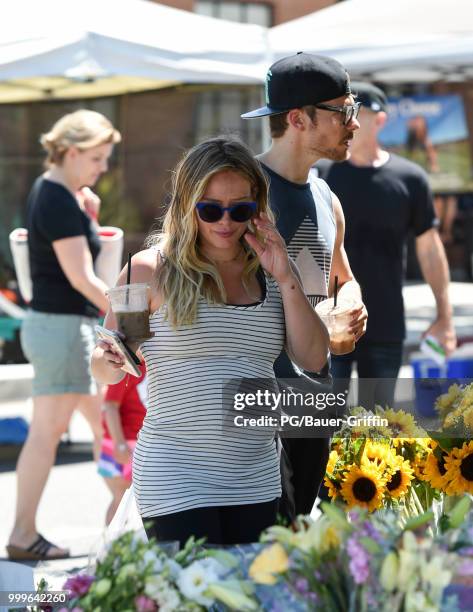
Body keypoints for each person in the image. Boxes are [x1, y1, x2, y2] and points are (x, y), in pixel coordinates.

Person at [91, 136, 329, 546]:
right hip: (174, 473)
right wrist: (107, 360)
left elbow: (313, 357)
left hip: (256, 476)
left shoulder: (273, 272)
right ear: (187, 205)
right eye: (211, 209)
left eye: (240, 209)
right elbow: (104, 364)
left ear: (257, 207)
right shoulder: (148, 271)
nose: (226, 222)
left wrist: (288, 275)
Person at [242, 52, 368, 520]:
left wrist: (348, 307)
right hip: (255, 404)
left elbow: (344, 278)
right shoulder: (241, 196)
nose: (353, 124)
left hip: (314, 400)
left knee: (295, 541)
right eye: (344, 111)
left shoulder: (325, 196)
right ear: (297, 118)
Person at [7, 110, 121, 560]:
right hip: (60, 327)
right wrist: (127, 311)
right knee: (64, 430)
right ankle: (22, 534)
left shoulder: (59, 194)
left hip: (61, 327)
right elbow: (81, 277)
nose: (103, 167)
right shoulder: (54, 197)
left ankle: (124, 518)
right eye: (96, 157)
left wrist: (88, 213)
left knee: (100, 425)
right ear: (71, 152)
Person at [316, 82, 457, 407]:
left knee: (377, 426)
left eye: (358, 113)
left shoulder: (409, 178)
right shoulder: (321, 175)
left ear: (380, 120)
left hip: (385, 321)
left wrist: (445, 318)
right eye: (345, 113)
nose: (350, 122)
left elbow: (430, 250)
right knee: (321, 427)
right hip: (327, 321)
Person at [98, 363, 147, 525]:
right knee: (121, 499)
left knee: (138, 504)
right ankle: (112, 547)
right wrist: (119, 443)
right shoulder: (127, 369)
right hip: (123, 444)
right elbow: (110, 406)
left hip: (140, 443)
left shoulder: (153, 365)